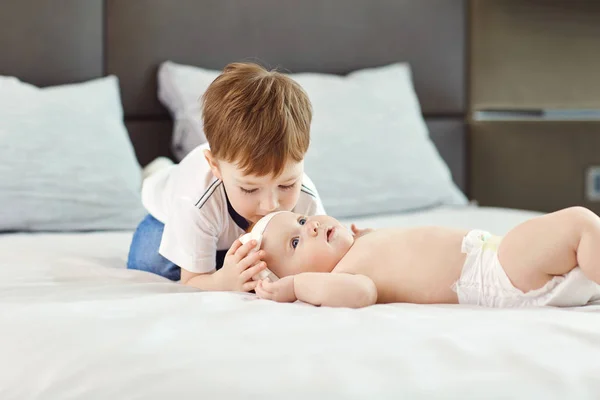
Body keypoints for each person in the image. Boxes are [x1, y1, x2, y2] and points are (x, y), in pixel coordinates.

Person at [127, 62, 325, 292]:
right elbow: (191, 279)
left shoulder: (305, 195)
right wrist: (222, 282)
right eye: (250, 189)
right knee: (152, 263)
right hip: (170, 212)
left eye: (286, 184)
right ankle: (158, 170)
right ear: (215, 167)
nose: (271, 205)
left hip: (224, 233)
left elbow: (326, 255)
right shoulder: (195, 199)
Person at [251, 207, 600, 308]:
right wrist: (296, 286)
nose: (310, 226)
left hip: (498, 256)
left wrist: (364, 236)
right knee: (579, 223)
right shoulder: (347, 274)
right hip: (498, 273)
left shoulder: (359, 248)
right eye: (295, 243)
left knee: (578, 239)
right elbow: (361, 294)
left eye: (301, 219)